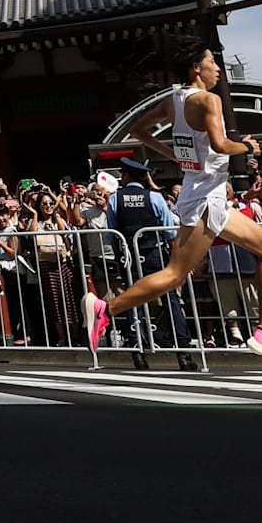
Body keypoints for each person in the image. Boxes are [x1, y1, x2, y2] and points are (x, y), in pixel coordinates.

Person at [83, 39, 262, 364]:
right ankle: (105, 308)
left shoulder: (175, 99)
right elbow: (220, 145)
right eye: (212, 62)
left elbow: (138, 130)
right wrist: (246, 147)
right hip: (206, 199)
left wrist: (173, 154)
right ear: (196, 67)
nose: (218, 68)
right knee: (175, 274)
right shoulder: (209, 100)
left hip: (204, 195)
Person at [106, 157, 191, 369]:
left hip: (130, 258)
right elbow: (169, 232)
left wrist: (119, 259)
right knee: (171, 300)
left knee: (134, 301)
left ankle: (138, 352)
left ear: (125, 176)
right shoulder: (154, 197)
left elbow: (112, 234)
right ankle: (183, 352)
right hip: (156, 255)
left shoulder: (115, 199)